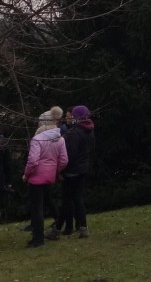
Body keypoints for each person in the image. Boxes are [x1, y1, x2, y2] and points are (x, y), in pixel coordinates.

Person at [22, 109, 68, 248]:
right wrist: (55, 170)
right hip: (49, 176)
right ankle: (50, 229)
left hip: (36, 177)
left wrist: (26, 174)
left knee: (37, 208)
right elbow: (64, 160)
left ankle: (38, 239)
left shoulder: (38, 139)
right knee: (46, 202)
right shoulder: (60, 139)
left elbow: (33, 161)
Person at [56, 105, 95, 238]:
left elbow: (69, 155)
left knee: (68, 199)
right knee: (77, 198)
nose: (69, 118)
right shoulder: (89, 130)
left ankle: (58, 229)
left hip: (72, 170)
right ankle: (81, 227)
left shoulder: (74, 133)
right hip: (82, 168)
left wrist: (60, 170)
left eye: (71, 116)